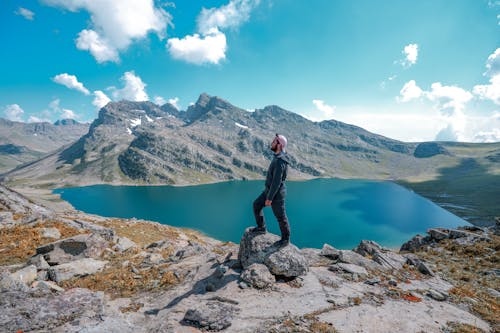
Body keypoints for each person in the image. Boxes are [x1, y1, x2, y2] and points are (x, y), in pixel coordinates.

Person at [251, 133, 291, 246]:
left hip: (276, 194)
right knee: (256, 205)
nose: (272, 143)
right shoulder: (278, 157)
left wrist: (269, 198)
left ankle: (285, 239)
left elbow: (276, 182)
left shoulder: (280, 161)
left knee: (280, 217)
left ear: (279, 145)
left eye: (274, 141)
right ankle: (261, 227)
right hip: (269, 191)